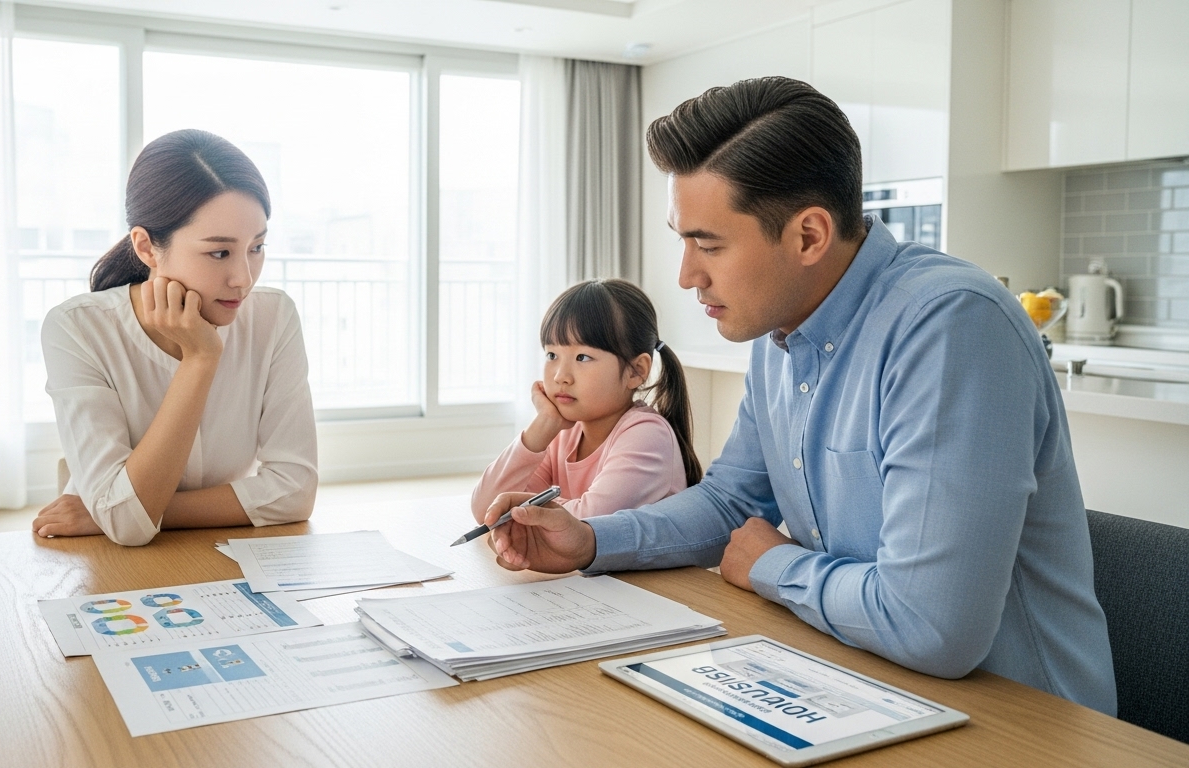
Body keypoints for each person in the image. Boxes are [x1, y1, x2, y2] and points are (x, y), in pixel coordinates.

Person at [482, 77, 1117, 715]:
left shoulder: (952, 326)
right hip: (865, 683)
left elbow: (931, 626)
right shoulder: (779, 333)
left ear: (809, 236)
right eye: (683, 240)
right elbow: (731, 502)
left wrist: (774, 564)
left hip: (1025, 722)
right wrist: (589, 540)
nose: (686, 275)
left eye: (708, 244)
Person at [31, 129, 316, 546]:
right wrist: (200, 359)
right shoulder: (77, 329)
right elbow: (127, 528)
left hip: (217, 552)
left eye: (256, 247)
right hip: (109, 561)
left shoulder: (273, 317)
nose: (244, 278)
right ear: (147, 247)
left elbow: (294, 492)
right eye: (219, 253)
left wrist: (117, 511)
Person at [470, 279, 702, 523]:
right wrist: (541, 426)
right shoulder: (562, 433)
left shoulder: (647, 434)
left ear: (635, 371)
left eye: (582, 357)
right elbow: (487, 511)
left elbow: (586, 524)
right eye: (552, 355)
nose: (561, 376)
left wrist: (522, 509)